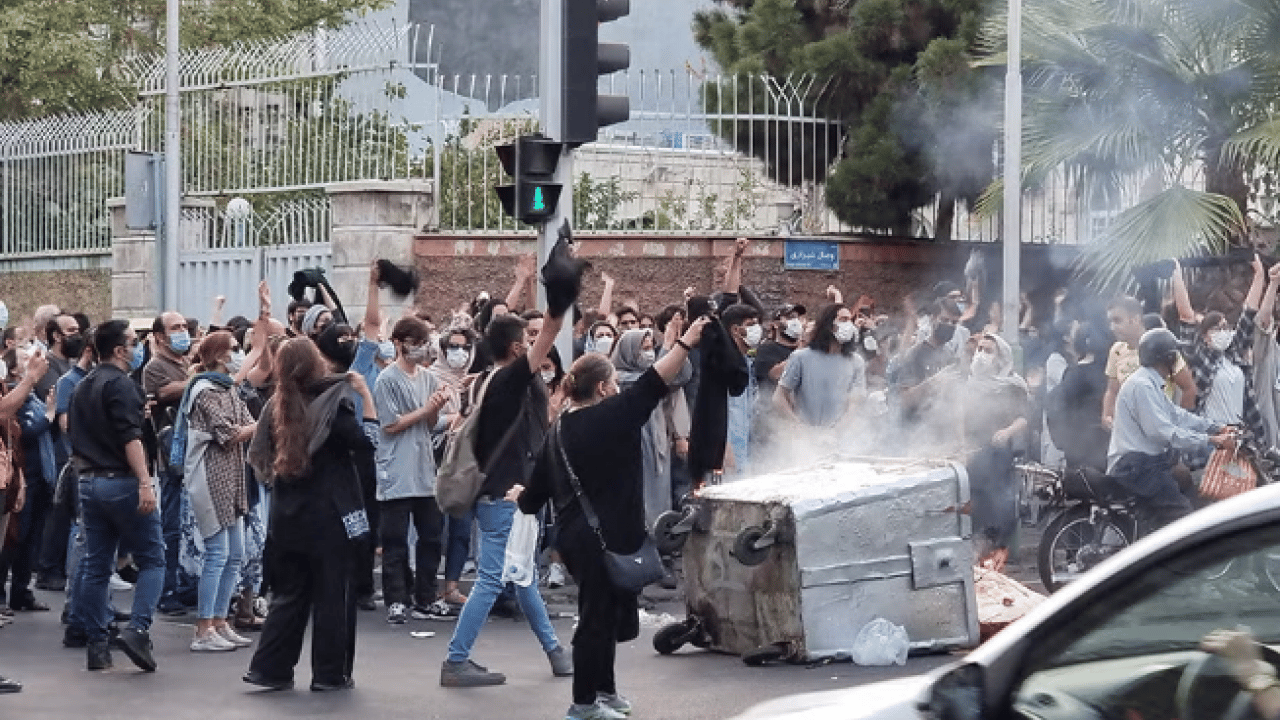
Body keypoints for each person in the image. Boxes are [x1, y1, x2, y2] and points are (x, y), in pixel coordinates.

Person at [513, 315, 711, 720]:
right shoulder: (613, 416)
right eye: (615, 384)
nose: (620, 389)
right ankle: (583, 703)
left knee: (601, 616)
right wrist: (685, 343)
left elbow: (534, 496)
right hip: (601, 539)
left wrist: (521, 496)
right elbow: (657, 380)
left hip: (578, 539)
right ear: (603, 387)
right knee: (594, 622)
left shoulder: (560, 428)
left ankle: (605, 692)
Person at [440, 257, 578, 689]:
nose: (536, 344)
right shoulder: (508, 381)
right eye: (528, 339)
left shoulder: (494, 380)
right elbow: (552, 329)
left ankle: (556, 652)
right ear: (518, 349)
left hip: (511, 493)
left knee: (521, 577)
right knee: (492, 578)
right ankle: (456, 659)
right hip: (506, 495)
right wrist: (560, 290)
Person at [244, 338, 377, 692]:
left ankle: (270, 668)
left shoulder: (275, 406)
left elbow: (261, 459)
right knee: (334, 596)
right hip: (332, 515)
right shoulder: (337, 402)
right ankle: (330, 673)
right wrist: (367, 398)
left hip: (287, 516)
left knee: (289, 595)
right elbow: (367, 443)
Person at [67, 319, 164, 672]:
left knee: (97, 562)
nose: (138, 347)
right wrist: (144, 481)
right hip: (121, 480)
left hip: (89, 481)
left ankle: (96, 642)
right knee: (152, 558)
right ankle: (138, 629)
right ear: (121, 350)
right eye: (134, 342)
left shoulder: (83, 386)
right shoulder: (121, 385)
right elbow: (129, 437)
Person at [1107, 328, 1235, 533]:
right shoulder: (1143, 386)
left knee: (1185, 479)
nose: (1178, 359)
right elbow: (1163, 432)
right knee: (1183, 518)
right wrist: (1212, 440)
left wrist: (1216, 427)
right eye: (1175, 355)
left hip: (1145, 463)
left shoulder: (1150, 382)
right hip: (1137, 466)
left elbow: (1177, 414)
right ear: (1167, 358)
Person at [175, 331, 257, 652]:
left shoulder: (228, 389)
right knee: (217, 554)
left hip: (232, 478)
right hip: (209, 478)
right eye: (235, 349)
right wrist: (259, 424)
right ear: (221, 356)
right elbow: (229, 433)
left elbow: (246, 424)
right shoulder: (204, 391)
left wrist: (253, 426)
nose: (238, 354)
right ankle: (202, 629)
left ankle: (220, 621)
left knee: (235, 554)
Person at [373, 317, 449, 625]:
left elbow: (432, 424)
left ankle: (426, 596)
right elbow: (391, 424)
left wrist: (436, 409)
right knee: (395, 539)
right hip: (396, 467)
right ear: (400, 343)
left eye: (424, 343)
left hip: (424, 468)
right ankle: (396, 598)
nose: (421, 350)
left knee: (431, 536)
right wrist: (425, 410)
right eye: (416, 343)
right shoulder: (386, 380)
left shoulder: (428, 378)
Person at [960, 333, 1029, 569]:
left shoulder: (1012, 385)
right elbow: (962, 419)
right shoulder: (971, 383)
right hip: (972, 453)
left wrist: (1006, 432)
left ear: (1000, 357)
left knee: (996, 503)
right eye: (979, 349)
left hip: (998, 453)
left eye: (988, 351)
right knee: (972, 502)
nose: (981, 355)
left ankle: (994, 550)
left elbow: (1024, 418)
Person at [142, 310, 194, 615]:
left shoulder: (184, 363)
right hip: (169, 457)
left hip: (189, 456)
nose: (182, 332)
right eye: (176, 327)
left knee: (188, 526)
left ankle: (185, 584)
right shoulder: (155, 367)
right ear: (160, 337)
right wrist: (199, 378)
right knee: (171, 527)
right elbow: (163, 393)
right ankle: (168, 590)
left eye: (185, 326)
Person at [1103, 296, 1197, 429]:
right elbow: (1112, 390)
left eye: (1117, 321)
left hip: (1159, 436)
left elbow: (1189, 388)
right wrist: (1107, 415)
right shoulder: (1116, 350)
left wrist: (1178, 427)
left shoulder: (1161, 346)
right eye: (1110, 322)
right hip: (1130, 435)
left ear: (1135, 319)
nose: (1112, 327)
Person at [775, 304, 867, 431]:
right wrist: (798, 425)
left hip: (841, 438)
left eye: (850, 320)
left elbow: (855, 403)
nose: (849, 325)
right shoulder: (800, 357)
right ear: (828, 324)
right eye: (843, 320)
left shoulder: (856, 362)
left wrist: (838, 431)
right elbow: (779, 397)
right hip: (805, 437)